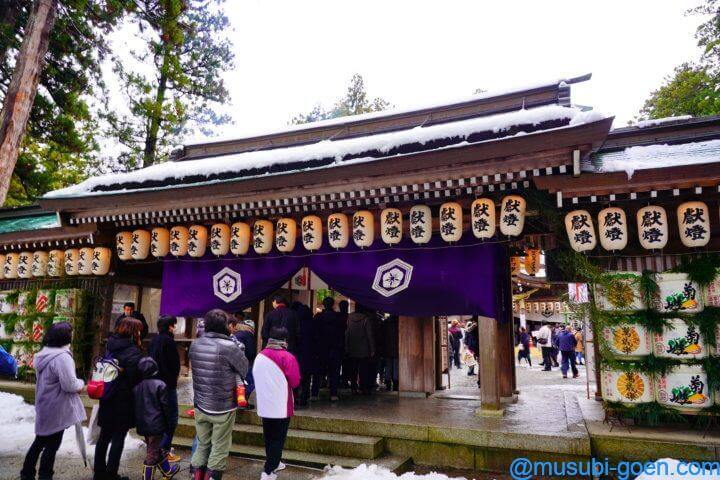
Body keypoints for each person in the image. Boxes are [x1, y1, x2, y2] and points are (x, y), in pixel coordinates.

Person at [189, 309, 249, 480]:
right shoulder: (230, 347)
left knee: (202, 445)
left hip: (201, 403)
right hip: (223, 406)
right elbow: (244, 369)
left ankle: (196, 476)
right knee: (219, 447)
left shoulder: (195, 344)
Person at [21, 322, 85, 480]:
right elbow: (69, 385)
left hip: (44, 403)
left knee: (40, 440)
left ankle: (27, 473)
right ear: (65, 337)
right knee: (51, 445)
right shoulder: (62, 358)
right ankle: (45, 475)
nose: (72, 335)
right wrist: (82, 384)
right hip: (57, 407)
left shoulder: (44, 354)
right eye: (70, 333)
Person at [95, 317, 144, 480]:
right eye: (138, 330)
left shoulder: (110, 345)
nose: (140, 333)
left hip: (107, 395)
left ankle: (99, 473)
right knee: (118, 437)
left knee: (104, 436)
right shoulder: (132, 351)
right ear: (132, 332)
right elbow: (134, 379)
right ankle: (111, 473)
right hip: (123, 400)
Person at [253, 327, 301, 480]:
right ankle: (268, 471)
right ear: (285, 341)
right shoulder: (287, 357)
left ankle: (274, 461)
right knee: (278, 438)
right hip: (281, 404)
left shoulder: (260, 356)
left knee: (269, 436)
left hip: (264, 404)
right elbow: (295, 381)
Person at [133, 357, 180, 480]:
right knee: (152, 454)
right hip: (156, 425)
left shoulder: (137, 387)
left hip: (143, 424)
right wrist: (169, 423)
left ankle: (167, 471)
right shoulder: (160, 385)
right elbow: (166, 407)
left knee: (156, 448)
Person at [148, 315, 181, 461]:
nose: (174, 328)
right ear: (169, 326)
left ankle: (156, 448)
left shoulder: (154, 340)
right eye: (173, 325)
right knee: (171, 418)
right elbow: (174, 365)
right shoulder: (168, 341)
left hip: (154, 384)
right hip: (167, 384)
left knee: (159, 416)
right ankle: (164, 450)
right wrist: (174, 378)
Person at [315, 297, 344, 401]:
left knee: (318, 371)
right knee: (334, 372)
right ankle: (333, 394)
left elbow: (315, 333)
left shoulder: (318, 317)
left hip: (321, 347)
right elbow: (342, 332)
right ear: (333, 305)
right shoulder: (338, 317)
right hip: (334, 348)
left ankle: (314, 392)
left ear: (323, 304)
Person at [292, 300, 319, 406]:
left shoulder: (296, 324)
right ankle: (305, 397)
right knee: (307, 378)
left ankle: (295, 397)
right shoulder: (313, 325)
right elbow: (317, 340)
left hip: (297, 354)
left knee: (296, 376)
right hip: (310, 355)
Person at [344, 306, 375, 394]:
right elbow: (369, 335)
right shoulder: (366, 319)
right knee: (363, 370)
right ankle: (363, 387)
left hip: (352, 347)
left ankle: (353, 387)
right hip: (364, 349)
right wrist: (372, 349)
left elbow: (346, 333)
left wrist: (346, 347)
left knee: (353, 369)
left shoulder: (348, 318)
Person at [232, 317, 257, 402]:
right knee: (250, 382)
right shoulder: (248, 334)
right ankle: (243, 401)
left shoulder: (236, 333)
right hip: (244, 361)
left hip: (232, 360)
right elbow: (251, 351)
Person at [382, 315, 399, 392]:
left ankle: (388, 385)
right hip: (396, 348)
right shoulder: (399, 323)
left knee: (388, 367)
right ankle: (395, 385)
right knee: (395, 367)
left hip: (386, 348)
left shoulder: (385, 323)